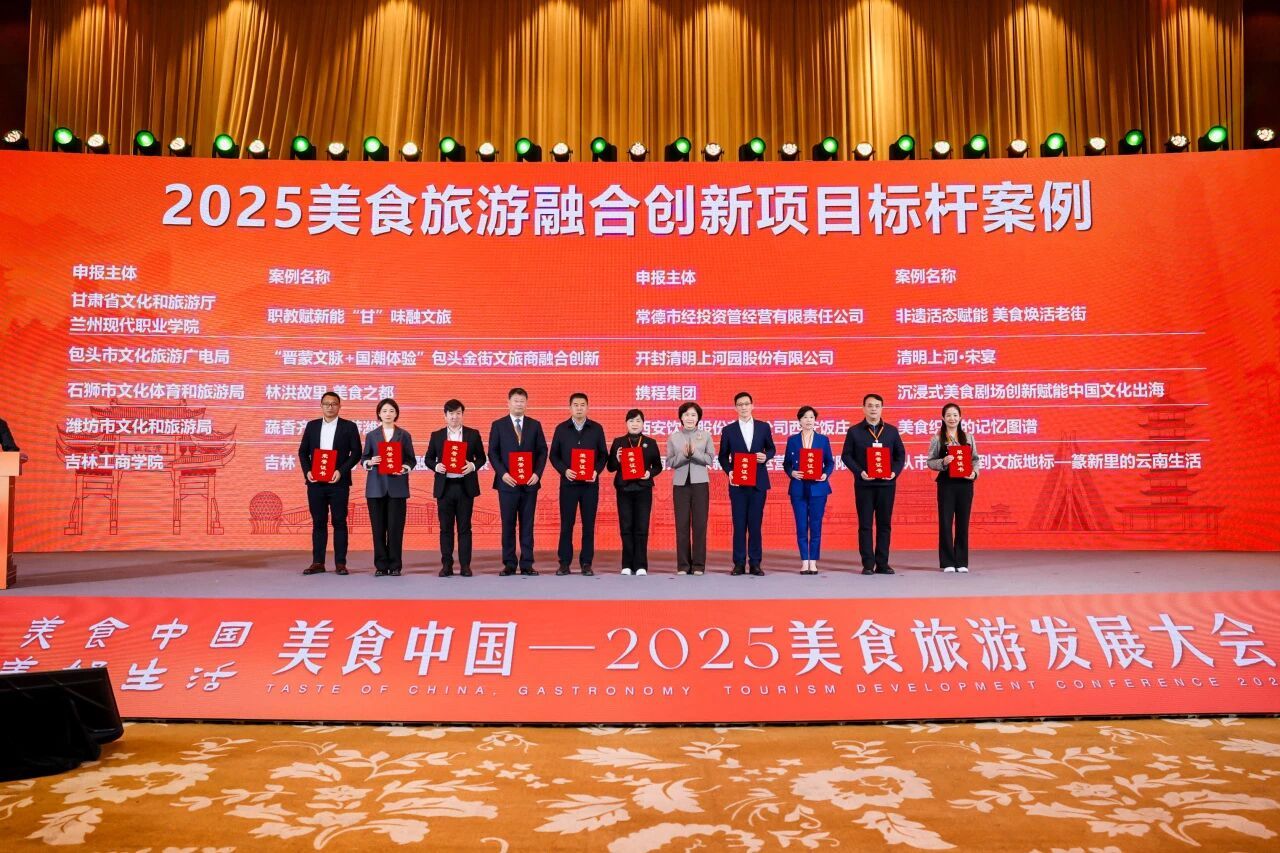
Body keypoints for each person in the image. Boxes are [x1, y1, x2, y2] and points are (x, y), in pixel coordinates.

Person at [297, 391, 363, 576]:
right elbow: (302, 452)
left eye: (334, 404)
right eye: (326, 404)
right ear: (321, 406)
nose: (330, 407)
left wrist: (341, 471)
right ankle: (318, 562)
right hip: (316, 483)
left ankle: (340, 563)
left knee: (339, 521)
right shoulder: (312, 426)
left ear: (339, 406)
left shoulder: (349, 427)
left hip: (338, 482)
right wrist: (308, 471)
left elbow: (356, 452)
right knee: (319, 522)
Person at [841, 393, 906, 575]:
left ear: (882, 408)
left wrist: (894, 472)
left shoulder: (892, 431)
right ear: (863, 408)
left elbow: (900, 455)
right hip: (864, 485)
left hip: (887, 485)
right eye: (870, 406)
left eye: (877, 406)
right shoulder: (854, 431)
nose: (873, 409)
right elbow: (846, 455)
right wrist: (860, 472)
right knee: (865, 525)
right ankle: (868, 564)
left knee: (884, 525)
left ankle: (883, 563)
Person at [488, 387, 548, 576]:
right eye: (516, 401)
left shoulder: (534, 425)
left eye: (522, 401)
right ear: (508, 403)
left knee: (527, 525)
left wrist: (537, 474)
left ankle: (527, 563)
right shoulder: (498, 425)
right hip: (507, 484)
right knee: (508, 524)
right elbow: (493, 452)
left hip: (529, 484)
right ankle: (509, 563)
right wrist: (503, 474)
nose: (519, 404)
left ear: (526, 403)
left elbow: (542, 451)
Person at [425, 399, 486, 577]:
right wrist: (436, 466)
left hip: (465, 487)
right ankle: (447, 565)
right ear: (445, 416)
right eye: (451, 413)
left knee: (465, 528)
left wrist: (472, 466)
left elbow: (481, 457)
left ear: (462, 415)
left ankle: (465, 565)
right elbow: (428, 458)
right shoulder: (437, 435)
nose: (454, 417)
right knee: (445, 528)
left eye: (458, 413)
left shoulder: (472, 434)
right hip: (445, 488)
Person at [549, 392, 609, 576]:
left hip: (590, 485)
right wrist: (564, 470)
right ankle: (564, 563)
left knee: (588, 525)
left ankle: (586, 563)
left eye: (582, 405)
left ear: (587, 407)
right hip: (568, 484)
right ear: (570, 408)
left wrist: (596, 471)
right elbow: (553, 455)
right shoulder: (561, 429)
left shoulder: (596, 429)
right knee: (567, 524)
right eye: (576, 405)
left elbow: (603, 455)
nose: (579, 408)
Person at [717, 391, 776, 576]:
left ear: (752, 405)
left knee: (755, 525)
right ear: (735, 408)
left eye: (746, 404)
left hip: (758, 483)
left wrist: (766, 456)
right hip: (738, 484)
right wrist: (730, 471)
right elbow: (722, 456)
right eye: (740, 404)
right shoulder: (728, 430)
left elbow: (772, 448)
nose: (743, 407)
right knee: (739, 524)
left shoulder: (763, 427)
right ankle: (739, 563)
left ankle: (756, 563)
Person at [360, 398, 416, 577]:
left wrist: (404, 468)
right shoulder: (372, 435)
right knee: (378, 529)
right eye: (384, 411)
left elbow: (411, 459)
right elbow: (364, 458)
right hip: (375, 487)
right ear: (379, 413)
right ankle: (381, 565)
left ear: (396, 413)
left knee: (395, 528)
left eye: (391, 411)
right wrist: (370, 462)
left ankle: (395, 565)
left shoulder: (404, 435)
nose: (388, 414)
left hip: (397, 487)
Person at [606, 408, 663, 575]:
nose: (635, 424)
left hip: (643, 489)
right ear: (626, 423)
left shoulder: (650, 443)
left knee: (642, 527)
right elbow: (610, 467)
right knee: (626, 526)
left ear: (643, 423)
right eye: (631, 421)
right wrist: (617, 460)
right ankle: (626, 564)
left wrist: (649, 473)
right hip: (624, 489)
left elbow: (658, 466)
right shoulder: (618, 442)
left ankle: (641, 565)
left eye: (638, 421)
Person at [926, 402, 980, 573]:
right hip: (946, 484)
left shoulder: (968, 437)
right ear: (943, 418)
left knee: (963, 523)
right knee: (946, 522)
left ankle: (961, 561)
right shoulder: (937, 438)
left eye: (955, 415)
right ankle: (948, 561)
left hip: (965, 484)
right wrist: (943, 461)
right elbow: (930, 461)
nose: (952, 418)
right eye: (948, 415)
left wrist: (974, 473)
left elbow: (975, 459)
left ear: (960, 417)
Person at [782, 405, 835, 575]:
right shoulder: (792, 440)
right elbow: (786, 463)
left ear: (815, 420)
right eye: (805, 417)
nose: (808, 420)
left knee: (816, 525)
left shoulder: (823, 440)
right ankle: (804, 561)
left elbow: (830, 462)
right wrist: (792, 472)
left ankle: (814, 561)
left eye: (811, 417)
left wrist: (825, 474)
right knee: (801, 525)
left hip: (818, 488)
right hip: (798, 487)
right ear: (799, 420)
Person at [667, 402, 715, 576]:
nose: (689, 418)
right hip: (680, 485)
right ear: (681, 417)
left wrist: (694, 453)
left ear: (698, 418)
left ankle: (698, 565)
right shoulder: (674, 437)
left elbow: (710, 460)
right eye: (686, 414)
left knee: (700, 525)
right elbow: (670, 462)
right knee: (682, 525)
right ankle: (683, 565)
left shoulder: (706, 436)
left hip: (700, 484)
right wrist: (684, 454)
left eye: (693, 415)